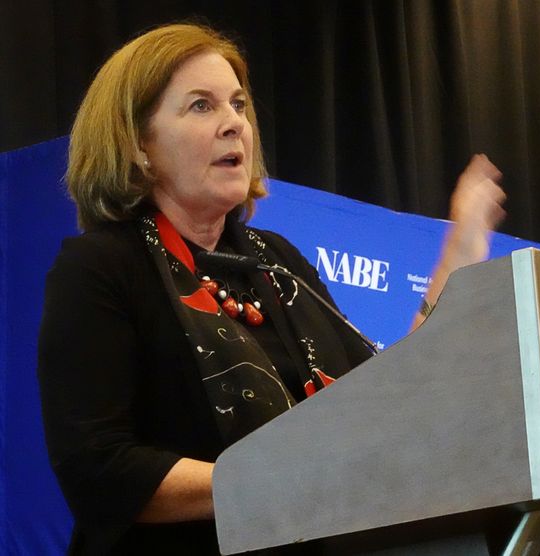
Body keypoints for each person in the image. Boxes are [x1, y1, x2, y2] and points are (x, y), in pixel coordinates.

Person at [37, 23, 505, 555]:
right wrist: (273, 483)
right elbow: (99, 466)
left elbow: (383, 406)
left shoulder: (276, 263)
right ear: (138, 143)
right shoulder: (102, 267)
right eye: (200, 106)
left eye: (238, 104)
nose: (234, 123)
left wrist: (458, 262)